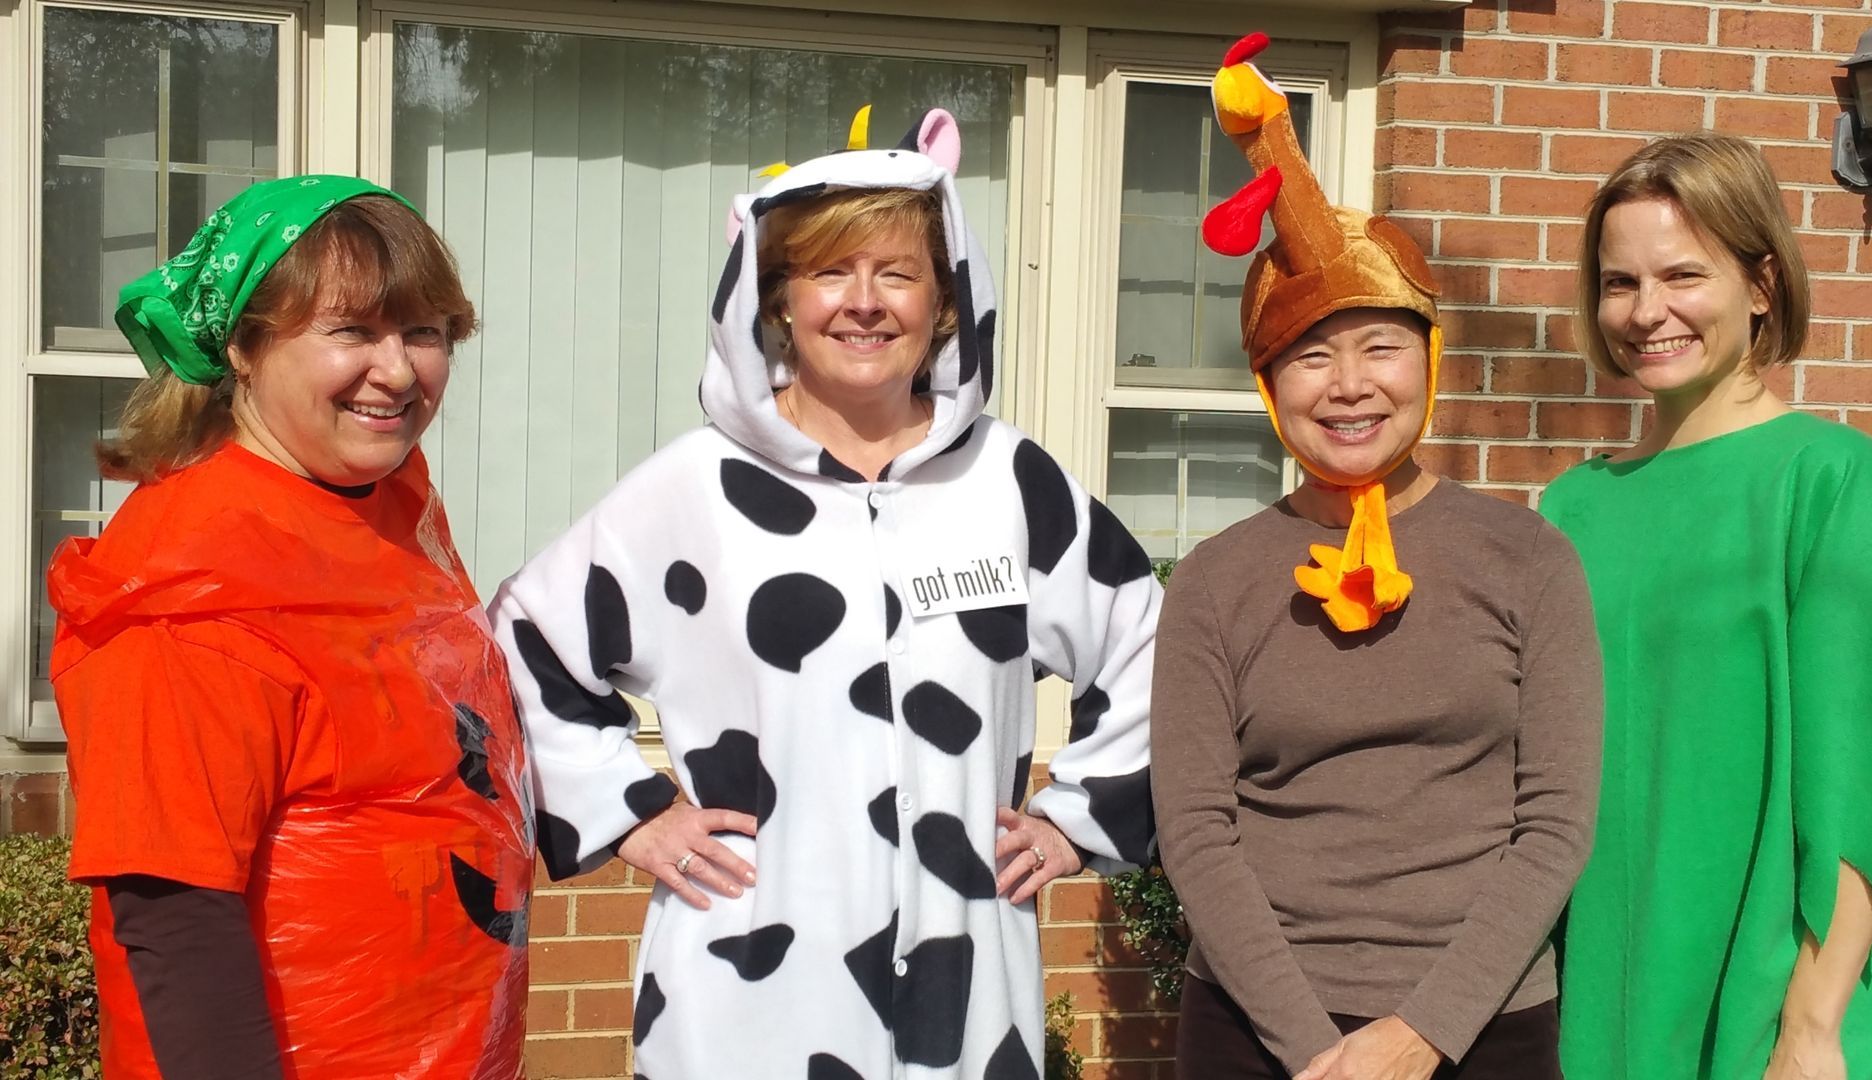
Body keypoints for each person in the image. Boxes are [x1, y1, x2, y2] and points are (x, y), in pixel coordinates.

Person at [490, 107, 1159, 1079]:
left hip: (964, 995)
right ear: (777, 299)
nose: (865, 302)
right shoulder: (696, 493)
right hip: (749, 987)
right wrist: (629, 812)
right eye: (830, 272)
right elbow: (522, 647)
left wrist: (1074, 820)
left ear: (945, 297)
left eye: (897, 272)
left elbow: (1150, 651)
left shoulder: (1012, 486)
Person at [1152, 34, 1603, 1080]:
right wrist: (1317, 1050)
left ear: (1429, 359)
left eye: (1380, 345)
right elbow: (1198, 832)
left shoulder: (1528, 558)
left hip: (1481, 1027)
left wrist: (1420, 1034)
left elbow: (1557, 821)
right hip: (1259, 1033)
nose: (1348, 384)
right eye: (1310, 354)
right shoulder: (1218, 580)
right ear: (1270, 387)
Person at [48, 176, 532, 1079]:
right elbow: (172, 913)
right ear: (242, 345)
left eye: (423, 332)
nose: (397, 370)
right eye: (351, 330)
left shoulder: (381, 509)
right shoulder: (191, 585)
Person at [1542, 132, 1872, 1080]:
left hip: (1781, 999)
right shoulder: (1573, 506)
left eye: (1681, 274)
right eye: (1619, 282)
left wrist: (1812, 1024)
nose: (1647, 311)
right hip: (1606, 985)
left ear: (1761, 285)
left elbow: (1869, 786)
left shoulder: (1833, 481)